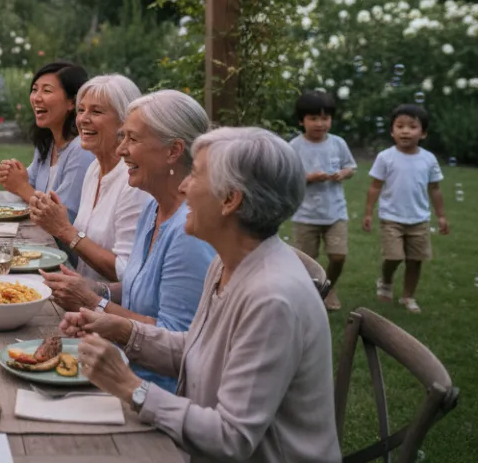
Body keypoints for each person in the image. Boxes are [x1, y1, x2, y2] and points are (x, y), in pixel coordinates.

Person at [61, 127, 340, 462]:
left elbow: (231, 438)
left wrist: (130, 386)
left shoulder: (272, 299)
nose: (183, 186)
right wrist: (121, 329)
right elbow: (197, 351)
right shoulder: (228, 262)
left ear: (230, 200)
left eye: (194, 175)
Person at [42, 89, 214, 393]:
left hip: (153, 393)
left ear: (174, 150)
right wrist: (94, 289)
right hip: (121, 368)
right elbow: (139, 286)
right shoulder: (154, 207)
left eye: (132, 139)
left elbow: (178, 342)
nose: (121, 150)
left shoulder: (191, 232)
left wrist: (94, 303)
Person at [29, 74, 148, 285]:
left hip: (109, 309)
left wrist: (65, 230)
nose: (83, 119)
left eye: (96, 111)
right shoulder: (94, 169)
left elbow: (124, 273)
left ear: (125, 121)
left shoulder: (133, 181)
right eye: (81, 110)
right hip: (79, 296)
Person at [363, 103, 449, 314]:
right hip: (391, 217)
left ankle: (408, 296)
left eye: (412, 126)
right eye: (400, 126)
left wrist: (441, 216)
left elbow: (435, 189)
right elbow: (375, 186)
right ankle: (386, 280)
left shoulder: (428, 159)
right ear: (392, 131)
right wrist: (368, 213)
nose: (405, 131)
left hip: (419, 219)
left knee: (415, 260)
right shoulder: (385, 157)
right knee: (393, 256)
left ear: (423, 133)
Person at [0, 61, 92, 222]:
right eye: (34, 90)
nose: (36, 98)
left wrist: (21, 186)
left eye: (47, 90)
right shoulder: (48, 142)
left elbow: (65, 217)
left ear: (72, 102)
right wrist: (13, 173)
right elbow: (30, 182)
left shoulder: (81, 149)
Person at [287, 90, 357, 311]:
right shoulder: (295, 146)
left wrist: (343, 174)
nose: (320, 123)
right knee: (307, 262)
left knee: (338, 256)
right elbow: (288, 176)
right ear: (301, 120)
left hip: (335, 212)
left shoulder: (338, 143)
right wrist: (309, 178)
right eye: (313, 118)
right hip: (305, 214)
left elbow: (351, 167)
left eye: (325, 118)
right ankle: (309, 295)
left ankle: (329, 287)